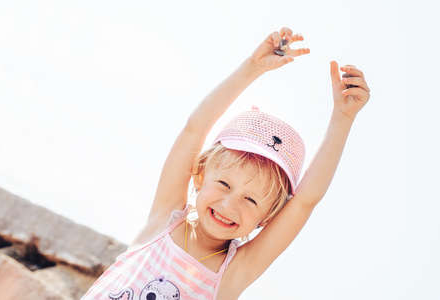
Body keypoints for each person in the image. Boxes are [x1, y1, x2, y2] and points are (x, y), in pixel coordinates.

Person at [81, 26, 371, 300]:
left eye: (251, 200)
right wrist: (252, 68)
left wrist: (342, 119)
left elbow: (305, 201)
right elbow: (194, 129)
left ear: (268, 218)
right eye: (223, 183)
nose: (230, 204)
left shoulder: (233, 272)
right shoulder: (165, 221)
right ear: (199, 175)